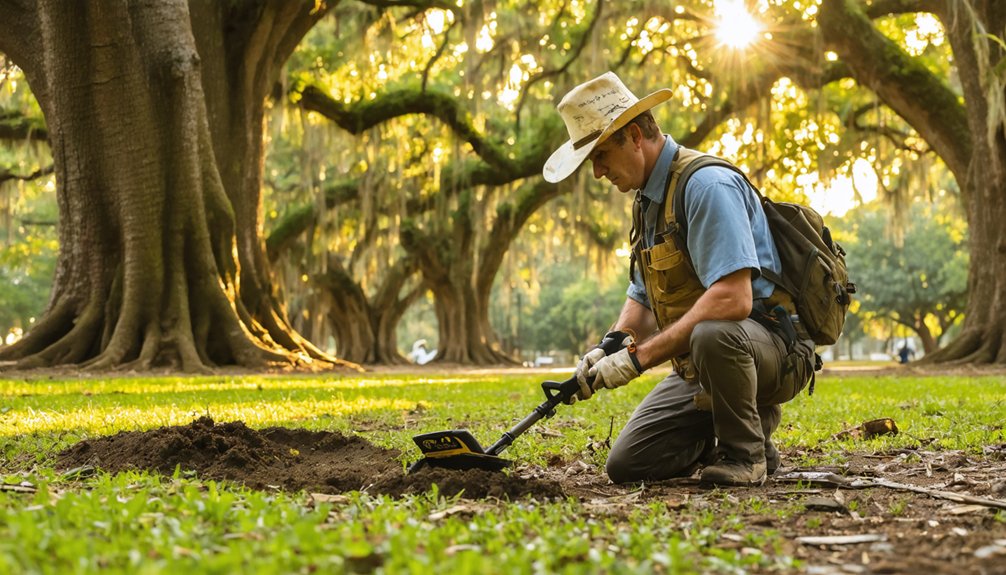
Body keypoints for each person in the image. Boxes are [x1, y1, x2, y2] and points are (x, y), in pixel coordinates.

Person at [542, 72, 816, 487]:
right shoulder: (648, 201)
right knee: (629, 465)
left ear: (634, 136)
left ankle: (746, 455)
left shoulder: (706, 186)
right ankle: (742, 428)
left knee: (713, 334)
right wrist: (610, 345)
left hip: (772, 347)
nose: (597, 172)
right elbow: (644, 296)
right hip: (706, 360)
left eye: (599, 156)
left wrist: (638, 359)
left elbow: (732, 300)